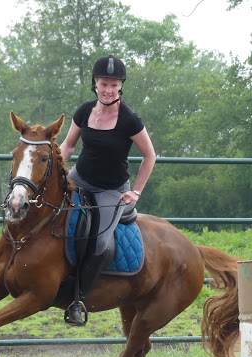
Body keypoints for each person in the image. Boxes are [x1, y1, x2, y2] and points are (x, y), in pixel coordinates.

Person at [59, 54, 157, 326]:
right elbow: (67, 147)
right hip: (78, 178)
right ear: (95, 84)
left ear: (120, 87)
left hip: (110, 190)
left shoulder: (129, 120)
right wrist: (54, 169)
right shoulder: (84, 111)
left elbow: (150, 155)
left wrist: (135, 192)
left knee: (101, 243)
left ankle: (77, 300)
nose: (108, 89)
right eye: (104, 84)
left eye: (113, 85)